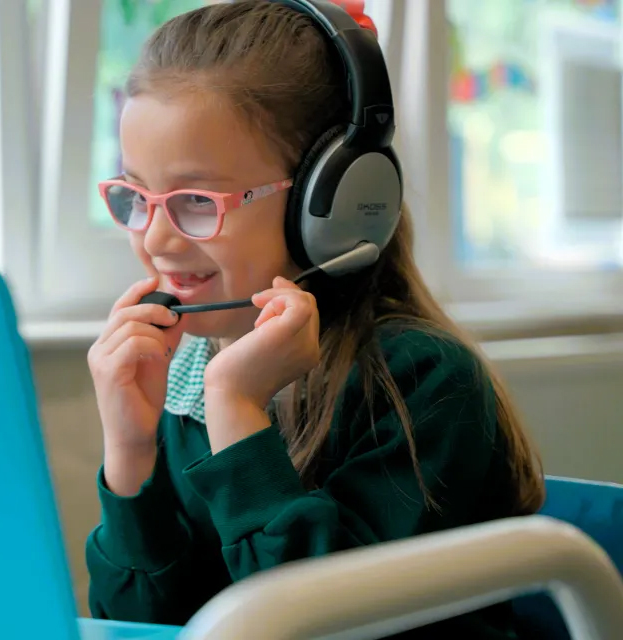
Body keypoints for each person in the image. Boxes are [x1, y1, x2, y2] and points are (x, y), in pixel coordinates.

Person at [84, 1, 545, 637]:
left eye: (196, 201)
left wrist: (240, 416)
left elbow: (320, 626)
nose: (157, 240)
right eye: (137, 197)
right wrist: (130, 456)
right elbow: (145, 627)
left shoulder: (421, 382)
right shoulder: (185, 374)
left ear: (333, 201)